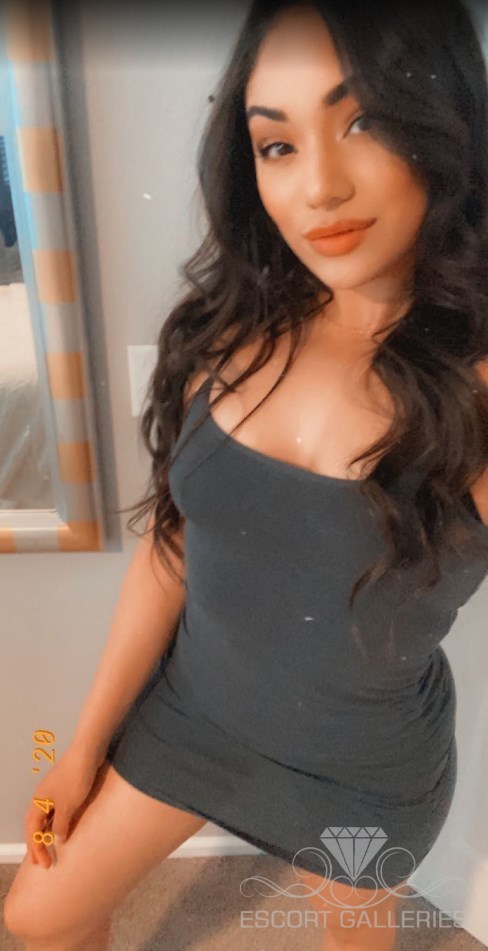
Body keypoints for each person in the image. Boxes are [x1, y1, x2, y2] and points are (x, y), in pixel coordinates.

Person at [5, 1, 488, 949]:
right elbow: (172, 550)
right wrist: (80, 748)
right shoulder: (229, 333)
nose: (321, 187)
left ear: (448, 127)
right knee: (38, 916)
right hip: (195, 716)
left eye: (365, 121)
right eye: (278, 145)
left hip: (360, 769)